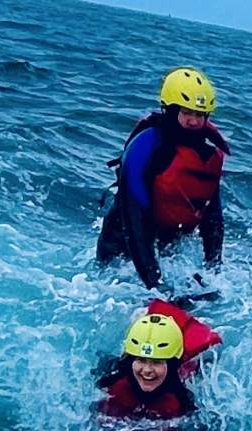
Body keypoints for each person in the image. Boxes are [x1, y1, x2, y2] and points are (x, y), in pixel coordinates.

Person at [97, 68, 227, 291]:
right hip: (122, 248)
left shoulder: (205, 155)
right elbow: (134, 223)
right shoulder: (145, 147)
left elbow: (212, 218)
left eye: (200, 115)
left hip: (166, 246)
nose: (195, 121)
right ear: (171, 109)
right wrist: (156, 287)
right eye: (188, 112)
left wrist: (213, 272)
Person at [95, 302, 221, 422]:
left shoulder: (181, 399)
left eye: (157, 362)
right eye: (141, 360)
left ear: (172, 365)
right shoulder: (112, 383)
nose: (147, 370)